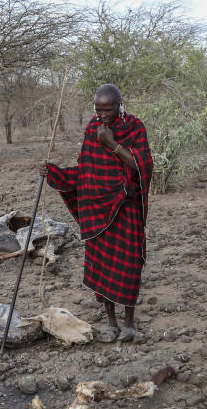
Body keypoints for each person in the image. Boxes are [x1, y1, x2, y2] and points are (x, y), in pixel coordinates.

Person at [40, 84, 152, 343]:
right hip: (97, 211)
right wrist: (54, 173)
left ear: (120, 106)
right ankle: (111, 323)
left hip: (126, 207)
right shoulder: (92, 129)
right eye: (98, 110)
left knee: (129, 266)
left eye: (108, 110)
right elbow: (87, 171)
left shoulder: (134, 127)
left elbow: (141, 166)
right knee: (103, 267)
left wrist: (111, 143)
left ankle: (130, 323)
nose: (102, 115)